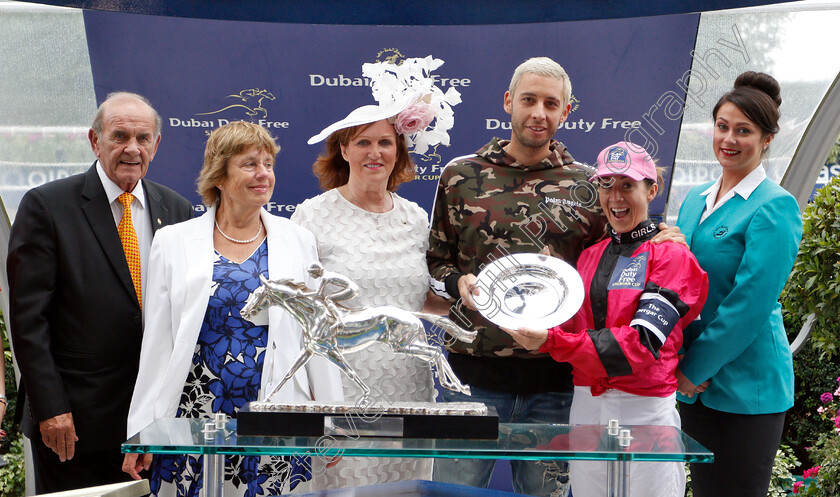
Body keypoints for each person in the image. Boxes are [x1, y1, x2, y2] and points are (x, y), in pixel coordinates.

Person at [121, 121, 343, 496]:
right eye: (250, 164)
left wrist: (332, 418)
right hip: (195, 417)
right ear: (219, 177)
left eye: (268, 164)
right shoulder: (172, 241)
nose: (263, 175)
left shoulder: (298, 240)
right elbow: (158, 344)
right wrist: (141, 429)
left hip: (276, 416)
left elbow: (315, 335)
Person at [426, 56, 608, 497]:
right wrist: (457, 285)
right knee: (455, 494)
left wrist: (661, 237)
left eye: (551, 103)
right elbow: (437, 261)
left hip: (556, 381)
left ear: (567, 112)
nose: (539, 113)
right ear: (509, 102)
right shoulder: (460, 176)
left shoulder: (589, 186)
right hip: (471, 377)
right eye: (529, 100)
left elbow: (605, 269)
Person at [6, 92, 193, 493]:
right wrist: (52, 408)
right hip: (73, 428)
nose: (132, 148)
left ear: (156, 145)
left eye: (143, 138)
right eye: (119, 135)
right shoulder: (47, 206)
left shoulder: (176, 211)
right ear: (95, 140)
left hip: (154, 422)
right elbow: (28, 322)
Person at [503, 141, 709, 497]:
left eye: (627, 185)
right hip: (586, 404)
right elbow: (567, 328)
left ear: (652, 189)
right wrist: (541, 290)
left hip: (645, 411)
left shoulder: (671, 256)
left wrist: (551, 341)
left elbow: (641, 346)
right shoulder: (588, 257)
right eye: (607, 184)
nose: (616, 196)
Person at [290, 56, 456, 490]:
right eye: (363, 143)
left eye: (385, 142)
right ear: (343, 150)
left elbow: (424, 300)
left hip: (410, 387)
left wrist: (477, 297)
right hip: (342, 388)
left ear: (398, 150)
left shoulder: (416, 218)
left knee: (406, 490)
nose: (374, 152)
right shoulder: (312, 216)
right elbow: (299, 309)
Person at [675, 71, 802, 497]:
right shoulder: (695, 199)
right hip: (695, 386)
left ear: (766, 139)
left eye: (744, 131)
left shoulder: (774, 207)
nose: (729, 139)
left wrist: (692, 371)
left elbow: (749, 305)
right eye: (723, 126)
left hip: (746, 388)